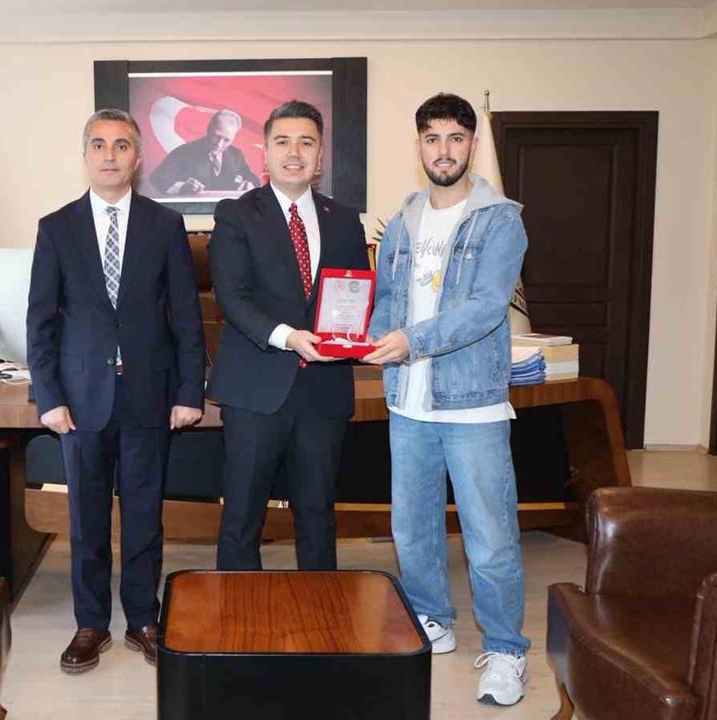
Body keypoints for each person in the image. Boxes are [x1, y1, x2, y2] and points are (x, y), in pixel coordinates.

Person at [363, 92, 531, 707]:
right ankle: (432, 618)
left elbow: (486, 308)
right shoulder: (403, 219)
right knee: (413, 530)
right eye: (432, 138)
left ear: (472, 145)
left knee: (490, 538)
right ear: (420, 146)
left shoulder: (501, 220)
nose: (443, 150)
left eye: (455, 138)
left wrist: (411, 341)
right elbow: (388, 298)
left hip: (473, 406)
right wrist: (367, 338)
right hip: (408, 404)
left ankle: (507, 650)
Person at [26, 108, 206, 674]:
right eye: (100, 144)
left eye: (122, 145)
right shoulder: (56, 227)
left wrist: (190, 391)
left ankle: (143, 619)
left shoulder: (165, 225)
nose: (110, 155)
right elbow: (40, 322)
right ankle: (91, 623)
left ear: (138, 156)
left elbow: (187, 317)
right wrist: (48, 396)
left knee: (145, 515)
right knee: (86, 519)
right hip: (81, 398)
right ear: (85, 154)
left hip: (149, 393)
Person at [207, 100, 369, 571]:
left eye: (306, 142)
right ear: (264, 152)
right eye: (283, 142)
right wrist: (289, 336)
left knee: (318, 516)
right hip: (255, 389)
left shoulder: (344, 219)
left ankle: (318, 609)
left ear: (320, 156)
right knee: (242, 517)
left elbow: (356, 294)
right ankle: (239, 610)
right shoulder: (236, 214)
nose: (294, 152)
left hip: (323, 390)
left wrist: (356, 333)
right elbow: (232, 297)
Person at [149, 109, 258, 196]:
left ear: (233, 138)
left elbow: (253, 179)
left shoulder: (236, 155)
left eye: (226, 140)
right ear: (209, 129)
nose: (219, 144)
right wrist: (182, 187)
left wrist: (250, 185)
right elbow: (158, 178)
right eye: (217, 136)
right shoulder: (184, 153)